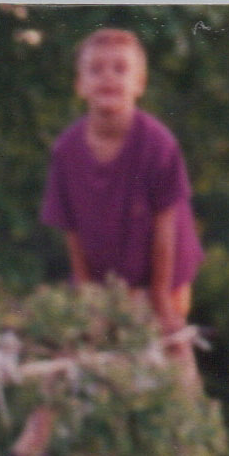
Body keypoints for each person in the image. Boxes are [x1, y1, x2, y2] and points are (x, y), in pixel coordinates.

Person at [40, 26, 204, 384]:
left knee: (169, 356)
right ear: (80, 85)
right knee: (67, 352)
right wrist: (87, 293)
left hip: (162, 276)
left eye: (120, 69)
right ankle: (36, 433)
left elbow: (166, 226)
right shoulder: (67, 150)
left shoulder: (158, 145)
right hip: (102, 277)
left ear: (140, 83)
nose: (108, 78)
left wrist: (159, 297)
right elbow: (71, 230)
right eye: (95, 70)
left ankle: (192, 424)